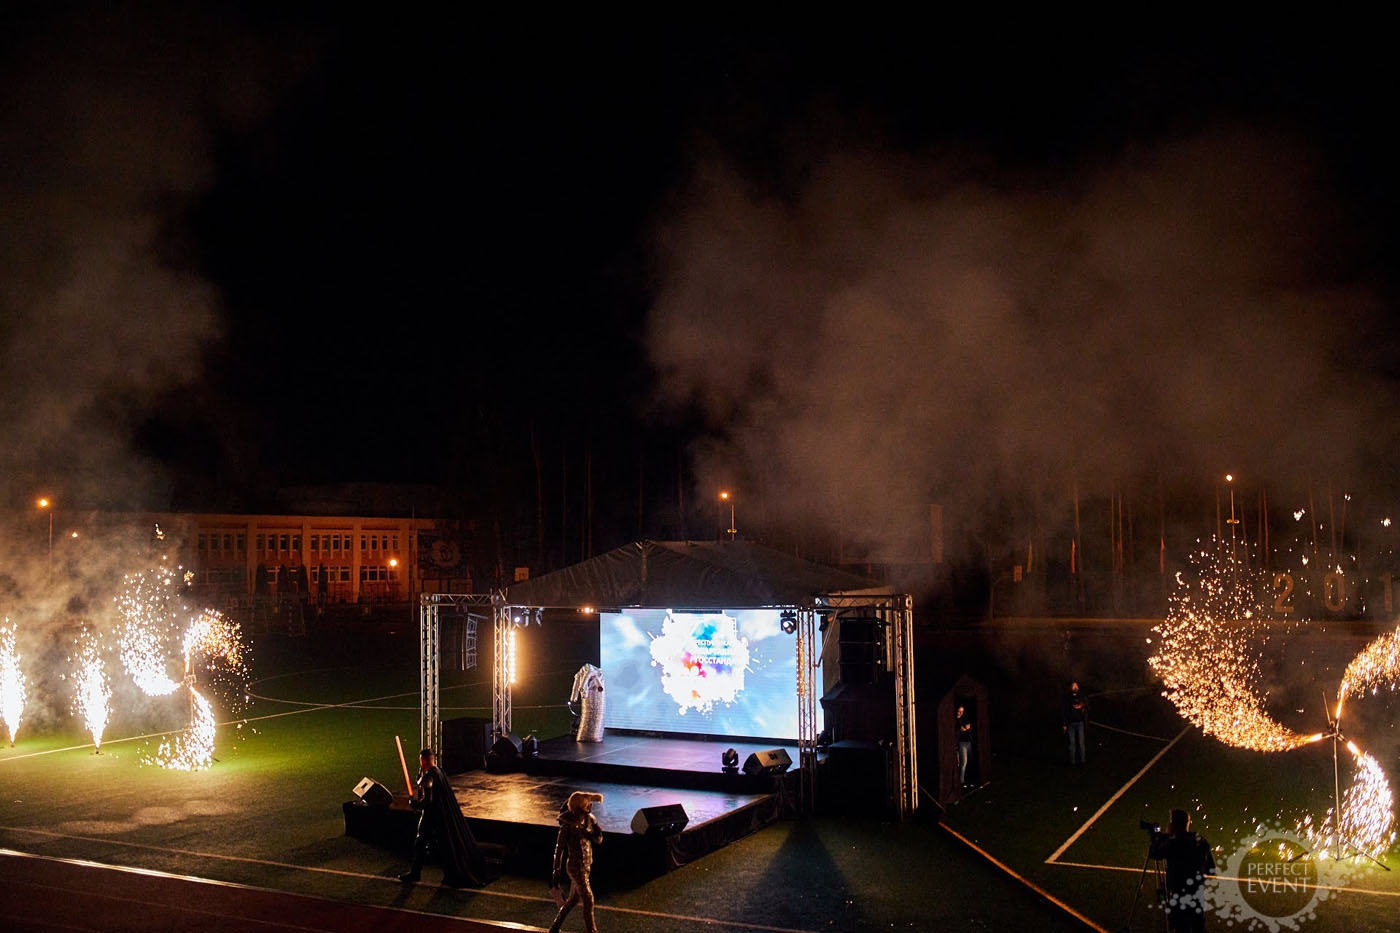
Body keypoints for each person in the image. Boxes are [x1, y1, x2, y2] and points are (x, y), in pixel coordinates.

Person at [398, 747, 488, 887]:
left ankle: (416, 873)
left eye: (421, 760)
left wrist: (415, 804)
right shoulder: (438, 772)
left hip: (431, 817)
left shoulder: (429, 777)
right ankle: (444, 873)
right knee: (439, 845)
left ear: (424, 760)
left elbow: (427, 800)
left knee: (421, 843)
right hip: (439, 816)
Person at [1149, 808, 1216, 932]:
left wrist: (1154, 839)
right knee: (1198, 928)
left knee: (1181, 928)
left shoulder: (1173, 843)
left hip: (1179, 897)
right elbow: (1211, 869)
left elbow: (1154, 853)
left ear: (1172, 825)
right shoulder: (1200, 840)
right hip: (1197, 896)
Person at [549, 791, 605, 933]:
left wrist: (596, 833)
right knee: (588, 899)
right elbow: (559, 849)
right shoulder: (567, 825)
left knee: (572, 900)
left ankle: (554, 928)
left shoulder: (590, 819)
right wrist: (556, 871)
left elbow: (598, 840)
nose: (590, 808)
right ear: (580, 808)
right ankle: (591, 931)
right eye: (587, 805)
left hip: (586, 865)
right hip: (575, 867)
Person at [1063, 681, 1088, 765]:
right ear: (1071, 688)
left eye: (1076, 685)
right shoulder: (1067, 697)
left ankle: (1082, 761)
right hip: (1070, 723)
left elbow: (1086, 706)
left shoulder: (1082, 696)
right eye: (1073, 686)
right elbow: (1064, 711)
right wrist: (1064, 724)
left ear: (1078, 687)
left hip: (1080, 723)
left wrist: (1082, 705)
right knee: (1072, 744)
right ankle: (1072, 763)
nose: (1075, 687)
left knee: (1081, 743)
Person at [955, 703, 974, 787]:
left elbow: (969, 729)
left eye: (962, 711)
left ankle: (969, 780)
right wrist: (960, 730)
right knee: (963, 763)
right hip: (961, 743)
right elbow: (956, 732)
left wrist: (969, 728)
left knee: (969, 762)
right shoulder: (955, 721)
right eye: (959, 711)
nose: (960, 713)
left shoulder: (964, 719)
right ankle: (961, 781)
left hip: (968, 742)